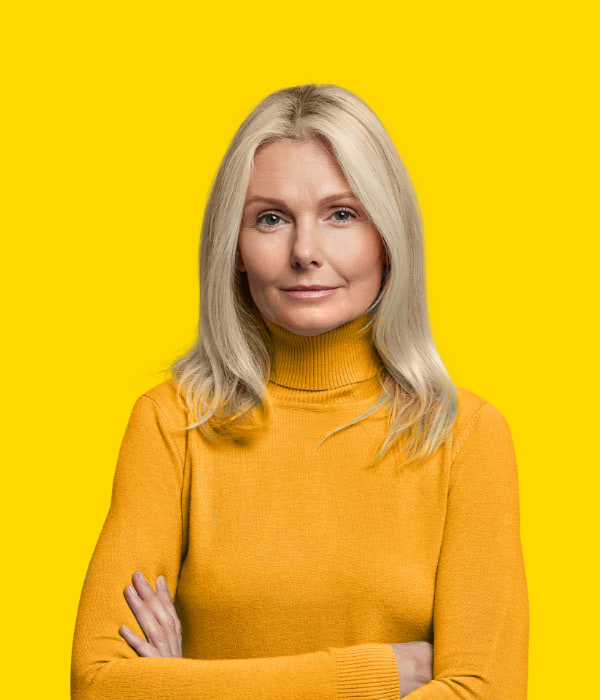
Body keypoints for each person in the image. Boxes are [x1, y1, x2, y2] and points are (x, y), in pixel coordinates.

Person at [70, 83, 529, 699]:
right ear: (234, 246)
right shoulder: (172, 423)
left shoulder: (463, 436)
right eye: (271, 218)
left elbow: (485, 692)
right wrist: (378, 676)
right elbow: (100, 685)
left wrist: (184, 686)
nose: (305, 252)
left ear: (387, 237)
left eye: (342, 214)